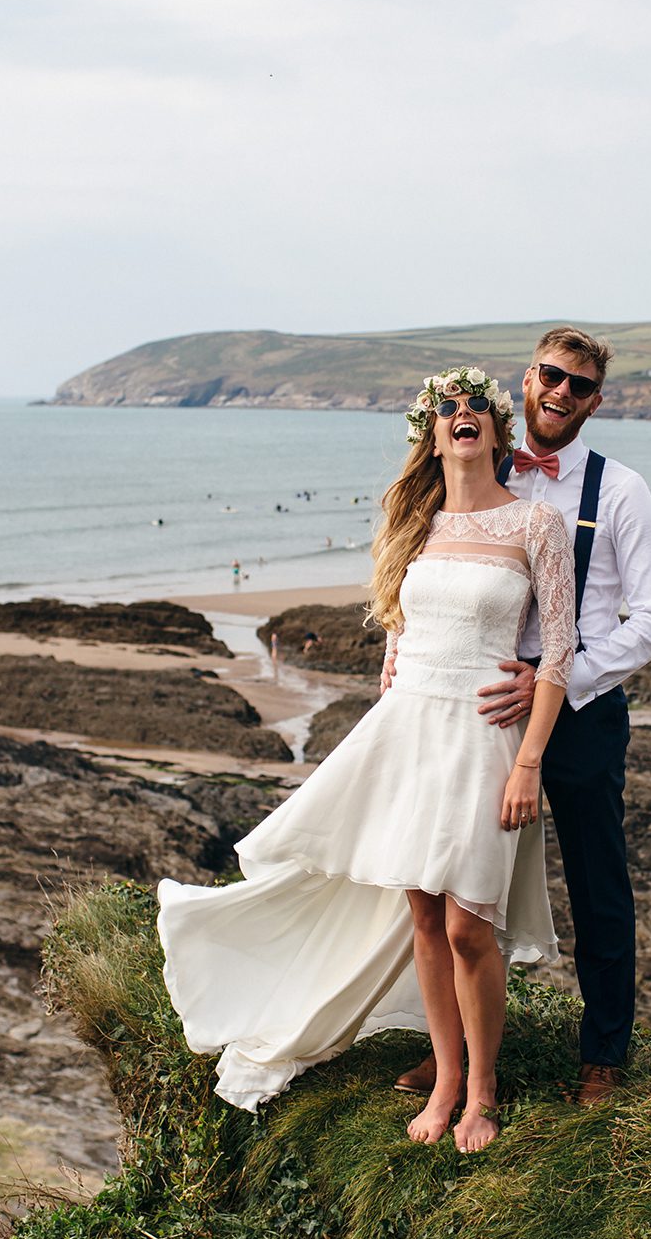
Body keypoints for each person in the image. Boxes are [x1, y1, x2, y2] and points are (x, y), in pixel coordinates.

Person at [157, 366, 572, 1153]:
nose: (462, 415)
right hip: (409, 732)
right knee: (421, 910)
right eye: (447, 408)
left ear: (495, 427)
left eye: (474, 405)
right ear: (431, 431)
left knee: (470, 927)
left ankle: (484, 1089)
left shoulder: (535, 525)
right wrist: (390, 691)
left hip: (484, 737)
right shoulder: (416, 524)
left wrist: (530, 764)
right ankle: (446, 1078)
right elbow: (399, 637)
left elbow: (559, 655)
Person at [410, 327, 651, 1109]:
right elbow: (421, 566)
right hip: (479, 709)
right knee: (448, 881)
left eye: (581, 385)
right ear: (527, 380)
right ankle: (448, 1052)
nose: (562, 393)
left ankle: (602, 1056)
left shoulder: (620, 490)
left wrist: (566, 678)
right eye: (553, 376)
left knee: (597, 885)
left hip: (581, 713)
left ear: (596, 400)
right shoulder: (471, 465)